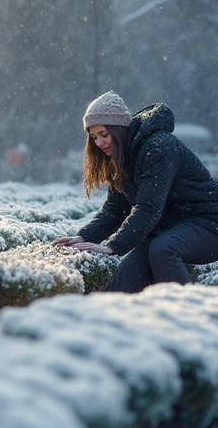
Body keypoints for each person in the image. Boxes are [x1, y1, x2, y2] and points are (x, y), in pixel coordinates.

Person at [52, 90, 218, 293]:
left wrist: (113, 246)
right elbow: (115, 209)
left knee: (163, 249)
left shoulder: (159, 148)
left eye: (104, 135)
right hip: (168, 228)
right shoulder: (120, 156)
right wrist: (85, 237)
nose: (99, 143)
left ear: (119, 129)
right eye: (94, 137)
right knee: (126, 277)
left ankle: (193, 316)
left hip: (208, 223)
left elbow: (148, 208)